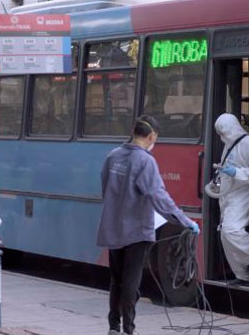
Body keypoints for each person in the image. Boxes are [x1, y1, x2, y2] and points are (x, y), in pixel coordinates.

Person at [97, 115, 200, 335]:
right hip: (136, 231)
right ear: (152, 136)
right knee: (131, 282)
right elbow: (159, 197)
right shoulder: (145, 161)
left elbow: (105, 188)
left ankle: (113, 326)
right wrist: (186, 221)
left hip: (113, 228)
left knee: (117, 279)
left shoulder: (112, 157)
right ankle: (128, 330)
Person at [214, 113, 249, 285]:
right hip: (229, 193)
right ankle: (244, 275)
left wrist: (236, 173)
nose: (221, 135)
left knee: (231, 230)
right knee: (224, 236)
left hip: (245, 192)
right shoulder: (229, 145)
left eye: (223, 130)